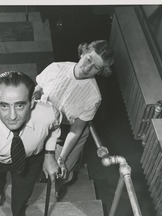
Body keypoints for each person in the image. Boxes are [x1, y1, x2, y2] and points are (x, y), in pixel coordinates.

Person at [0, 71, 61, 216]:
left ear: (31, 102)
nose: (12, 116)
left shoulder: (48, 114)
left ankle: (18, 214)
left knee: (24, 191)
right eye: (4, 105)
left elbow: (55, 128)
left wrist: (50, 154)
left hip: (31, 160)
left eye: (20, 105)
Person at [33, 40, 114, 197]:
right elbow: (38, 89)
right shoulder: (56, 68)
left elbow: (76, 130)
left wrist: (62, 158)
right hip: (45, 121)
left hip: (69, 131)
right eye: (88, 59)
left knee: (62, 170)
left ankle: (60, 185)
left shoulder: (94, 96)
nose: (87, 68)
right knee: (36, 155)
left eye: (96, 67)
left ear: (100, 71)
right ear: (83, 53)